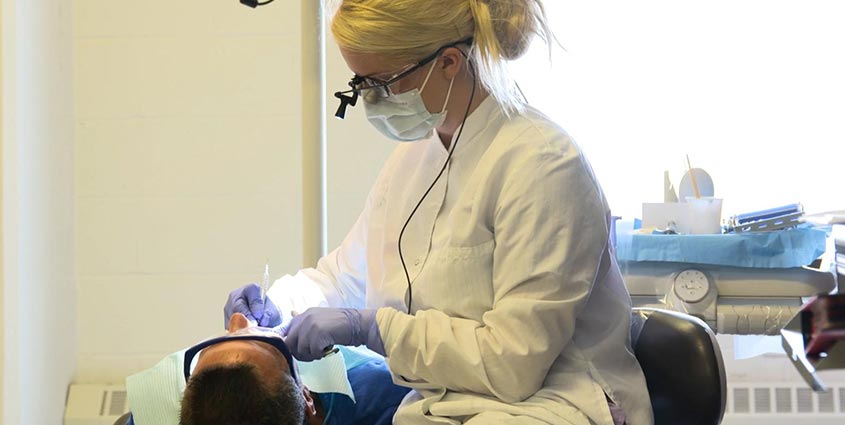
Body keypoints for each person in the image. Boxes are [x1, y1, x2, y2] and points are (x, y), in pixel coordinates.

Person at [227, 0, 652, 423]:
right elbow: (345, 277)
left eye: (379, 83)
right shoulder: (412, 161)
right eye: (360, 84)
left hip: (556, 404)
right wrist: (279, 304)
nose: (370, 100)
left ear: (448, 62)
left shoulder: (542, 163)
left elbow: (513, 364)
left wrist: (372, 328)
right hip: (448, 404)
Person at [125, 312, 409, 425]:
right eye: (266, 342)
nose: (237, 319)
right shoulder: (385, 401)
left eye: (221, 339)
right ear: (306, 395)